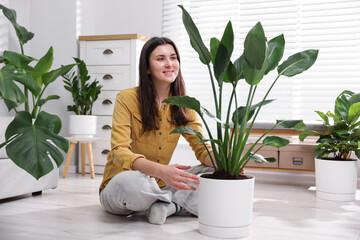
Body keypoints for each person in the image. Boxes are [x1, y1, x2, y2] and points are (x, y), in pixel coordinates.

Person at [99, 37, 214, 225]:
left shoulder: (185, 105)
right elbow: (119, 152)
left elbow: (203, 150)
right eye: (160, 59)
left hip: (160, 184)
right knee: (133, 182)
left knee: (215, 173)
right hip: (122, 186)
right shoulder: (126, 98)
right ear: (147, 68)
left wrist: (228, 166)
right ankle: (175, 203)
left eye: (173, 57)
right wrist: (162, 171)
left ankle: (165, 205)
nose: (169, 64)